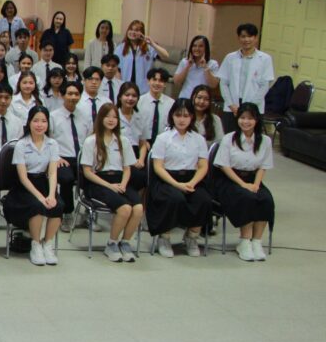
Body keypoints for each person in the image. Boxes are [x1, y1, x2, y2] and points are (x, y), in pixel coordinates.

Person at [147, 98, 212, 258]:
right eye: (178, 115)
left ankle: (191, 237)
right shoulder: (163, 138)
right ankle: (164, 238)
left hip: (192, 179)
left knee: (203, 199)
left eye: (186, 115)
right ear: (172, 116)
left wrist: (192, 182)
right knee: (174, 199)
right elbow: (158, 167)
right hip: (167, 179)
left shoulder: (198, 139)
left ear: (191, 117)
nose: (182, 119)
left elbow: (203, 165)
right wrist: (177, 184)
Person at [80, 103, 144, 263]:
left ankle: (125, 243)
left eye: (115, 117)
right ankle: (112, 244)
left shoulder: (123, 141)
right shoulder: (91, 141)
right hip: (98, 182)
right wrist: (109, 186)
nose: (111, 120)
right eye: (107, 116)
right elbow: (87, 172)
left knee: (138, 208)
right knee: (125, 208)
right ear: (100, 118)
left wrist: (123, 184)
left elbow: (127, 168)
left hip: (120, 180)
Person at [213, 102, 275, 262]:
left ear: (256, 120)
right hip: (229, 179)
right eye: (242, 118)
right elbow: (224, 166)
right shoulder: (229, 138)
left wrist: (256, 184)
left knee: (266, 199)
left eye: (250, 118)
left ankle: (257, 241)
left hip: (253, 178)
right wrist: (243, 185)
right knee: (246, 198)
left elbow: (263, 166)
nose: (246, 122)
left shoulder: (265, 141)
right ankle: (244, 241)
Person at [6, 106, 63, 266]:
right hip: (25, 186)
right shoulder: (22, 145)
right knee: (37, 206)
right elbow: (23, 177)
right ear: (29, 122)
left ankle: (47, 244)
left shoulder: (52, 144)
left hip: (44, 182)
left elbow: (52, 173)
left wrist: (51, 195)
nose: (39, 125)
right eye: (36, 121)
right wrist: (40, 197)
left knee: (58, 206)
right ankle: (36, 244)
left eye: (43, 121)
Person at [219, 23, 275, 129]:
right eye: (243, 36)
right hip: (232, 107)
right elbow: (224, 83)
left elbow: (265, 85)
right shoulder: (230, 58)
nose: (246, 40)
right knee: (229, 136)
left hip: (254, 107)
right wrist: (231, 104)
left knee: (251, 137)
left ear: (256, 38)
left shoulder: (265, 59)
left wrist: (249, 108)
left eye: (250, 36)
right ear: (238, 38)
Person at [51, 81, 86, 233]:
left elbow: (90, 139)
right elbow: (49, 141)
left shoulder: (85, 116)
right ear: (62, 95)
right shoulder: (53, 116)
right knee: (66, 179)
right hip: (62, 158)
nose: (73, 97)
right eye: (69, 93)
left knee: (93, 177)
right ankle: (67, 213)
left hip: (82, 158)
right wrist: (56, 157)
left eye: (76, 94)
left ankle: (87, 213)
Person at [115, 19, 170, 86]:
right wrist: (119, 84)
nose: (133, 32)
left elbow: (165, 56)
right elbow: (116, 69)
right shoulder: (120, 48)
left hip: (144, 87)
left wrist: (152, 44)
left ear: (142, 33)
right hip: (125, 85)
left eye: (136, 30)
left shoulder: (149, 47)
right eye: (131, 29)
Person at [173, 35, 219, 99]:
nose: (197, 48)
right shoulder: (184, 61)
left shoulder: (213, 64)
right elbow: (176, 82)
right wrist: (188, 66)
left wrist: (205, 67)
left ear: (206, 48)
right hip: (185, 98)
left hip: (202, 100)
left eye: (200, 46)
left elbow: (213, 85)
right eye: (194, 46)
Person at [136, 68, 174, 146]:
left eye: (161, 81)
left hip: (164, 143)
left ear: (165, 84)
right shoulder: (139, 101)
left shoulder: (171, 103)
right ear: (148, 81)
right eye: (154, 79)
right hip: (142, 143)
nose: (157, 83)